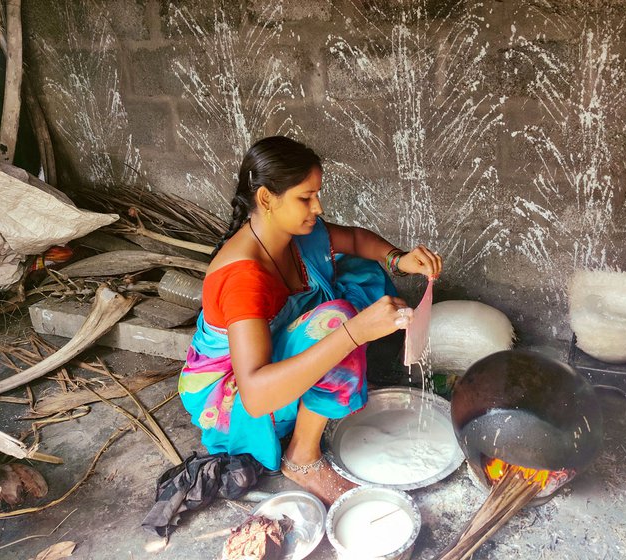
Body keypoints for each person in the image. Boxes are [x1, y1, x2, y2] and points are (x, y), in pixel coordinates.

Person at [178, 136, 442, 505]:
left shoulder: (293, 234)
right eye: (305, 197)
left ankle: (331, 375)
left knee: (359, 271)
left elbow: (352, 238)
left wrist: (398, 259)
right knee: (338, 323)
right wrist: (354, 333)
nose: (317, 206)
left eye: (317, 194)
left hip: (270, 352)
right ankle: (301, 456)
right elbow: (255, 396)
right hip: (232, 398)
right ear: (267, 199)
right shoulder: (243, 277)